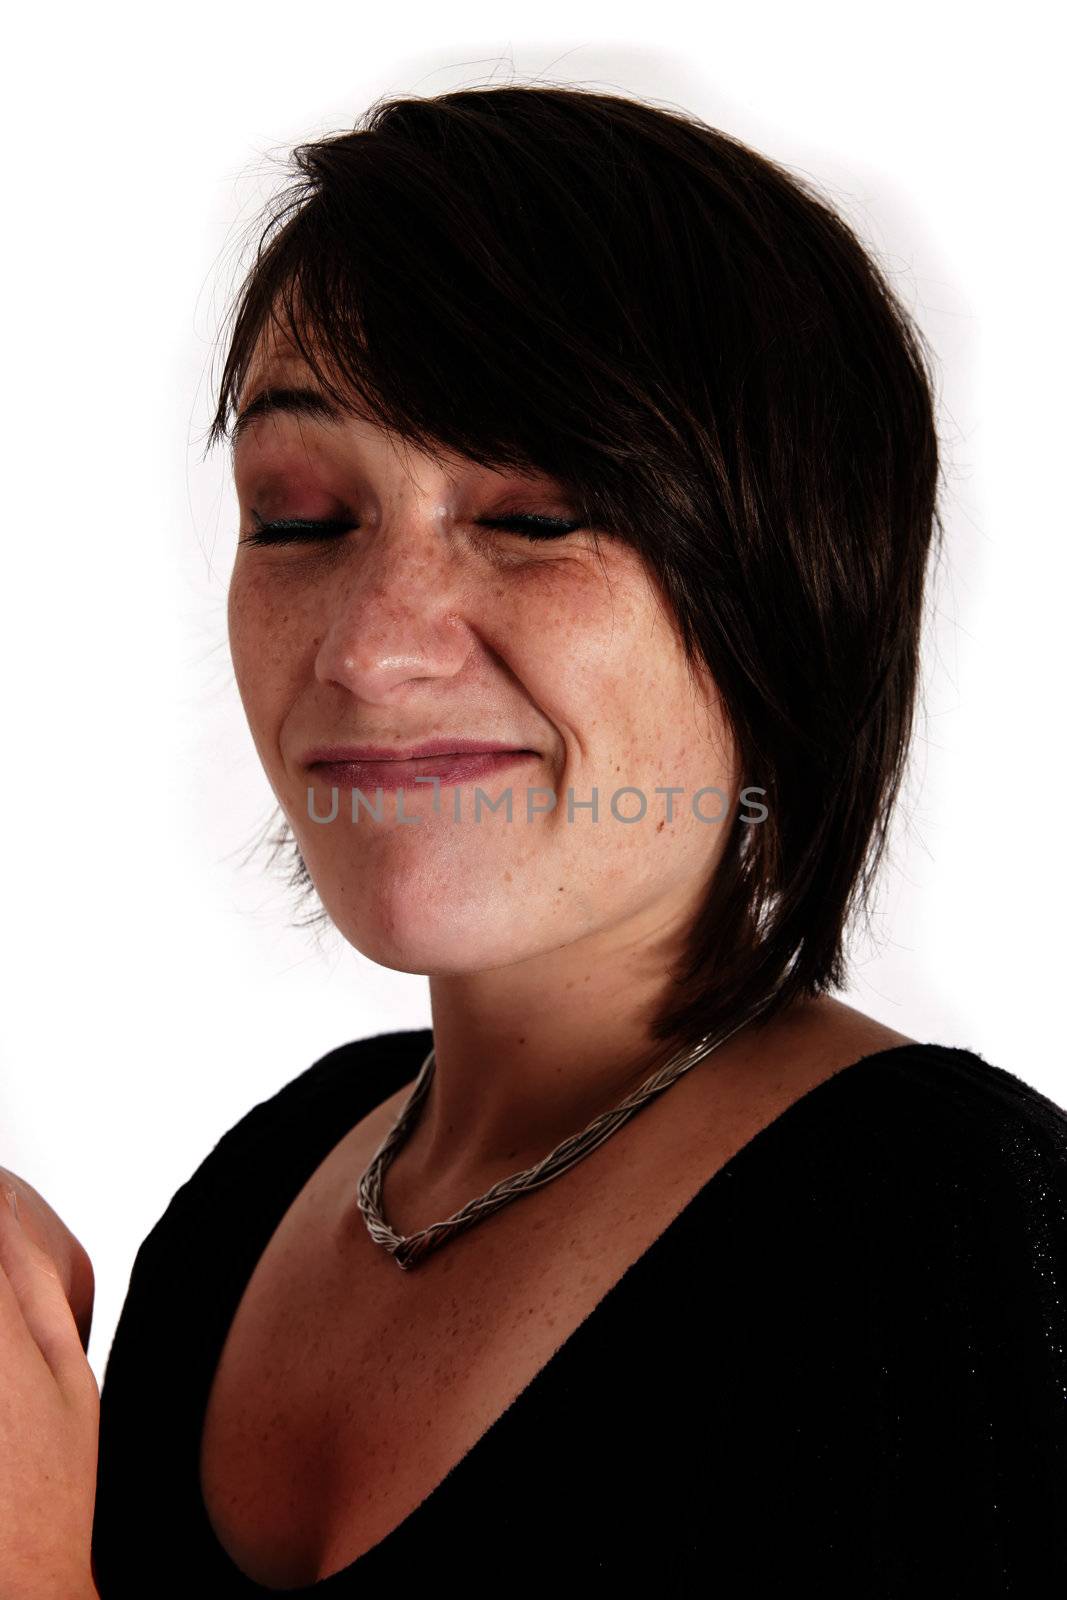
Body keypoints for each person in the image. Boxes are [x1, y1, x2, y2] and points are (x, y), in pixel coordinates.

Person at [2, 83, 1065, 1597]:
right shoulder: (260, 1194)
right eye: (300, 518)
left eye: (536, 516)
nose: (370, 650)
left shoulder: (960, 1251)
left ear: (790, 583)